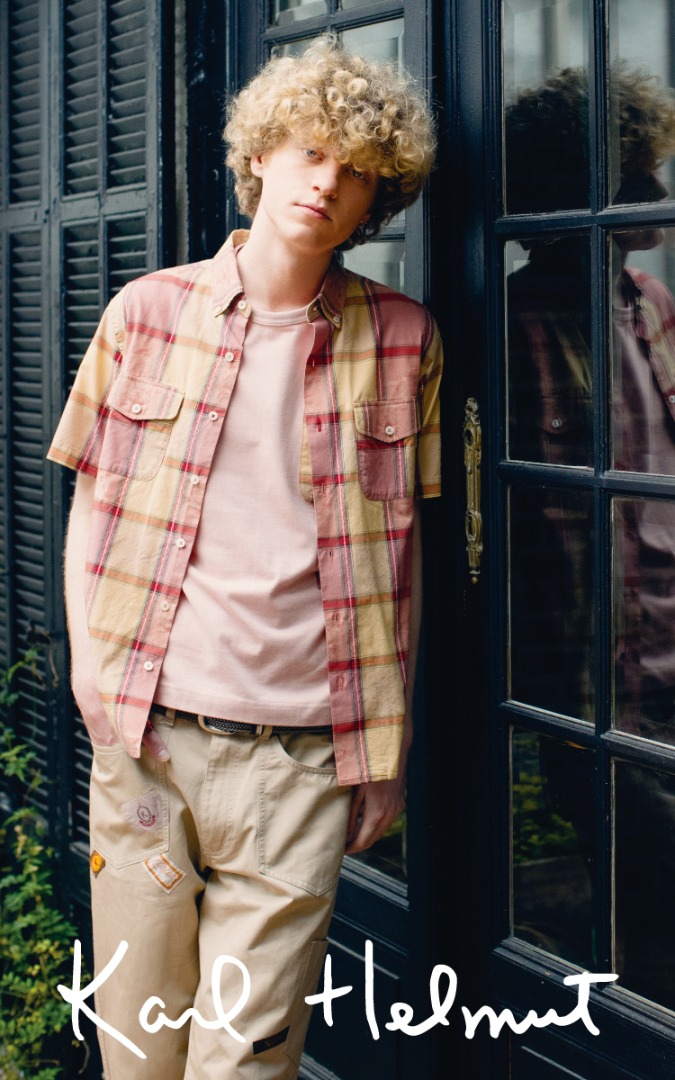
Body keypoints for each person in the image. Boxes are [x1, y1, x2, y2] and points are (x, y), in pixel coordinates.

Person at [47, 35, 442, 1079]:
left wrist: (385, 748)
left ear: (378, 197)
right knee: (138, 1050)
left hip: (303, 759)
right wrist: (91, 672)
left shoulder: (405, 337)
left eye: (359, 170)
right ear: (260, 153)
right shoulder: (146, 313)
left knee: (245, 1064)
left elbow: (405, 560)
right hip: (150, 737)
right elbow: (92, 503)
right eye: (311, 151)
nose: (328, 183)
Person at [505, 64, 675, 1007]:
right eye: (632, 170)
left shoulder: (648, 303)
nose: (655, 189)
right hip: (590, 683)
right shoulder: (510, 323)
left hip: (668, 644)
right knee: (644, 906)